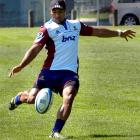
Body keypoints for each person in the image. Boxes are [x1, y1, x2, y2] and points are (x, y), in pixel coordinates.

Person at [8, 0, 136, 139]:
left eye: (60, 11)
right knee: (32, 99)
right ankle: (20, 97)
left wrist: (119, 33)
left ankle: (55, 131)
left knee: (68, 98)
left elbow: (97, 31)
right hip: (49, 72)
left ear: (65, 12)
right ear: (51, 12)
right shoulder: (46, 28)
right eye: (54, 12)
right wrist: (21, 65)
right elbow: (35, 48)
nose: (57, 14)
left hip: (69, 74)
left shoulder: (75, 25)